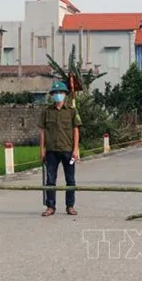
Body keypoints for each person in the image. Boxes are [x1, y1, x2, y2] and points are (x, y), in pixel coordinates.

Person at [38, 81, 82, 217]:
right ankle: (50, 206)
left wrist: (76, 149)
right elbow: (42, 131)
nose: (58, 95)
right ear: (52, 95)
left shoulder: (71, 111)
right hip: (51, 150)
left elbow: (76, 131)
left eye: (60, 93)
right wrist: (42, 150)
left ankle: (70, 206)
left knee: (70, 179)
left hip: (68, 150)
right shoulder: (46, 112)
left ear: (65, 95)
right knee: (50, 179)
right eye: (55, 93)